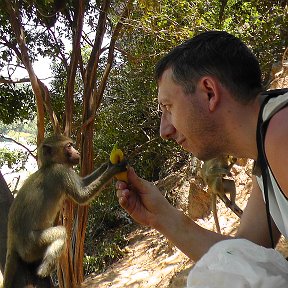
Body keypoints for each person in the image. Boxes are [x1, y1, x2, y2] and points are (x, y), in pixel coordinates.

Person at [115, 31, 288, 286]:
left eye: (168, 108)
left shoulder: (282, 134)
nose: (165, 131)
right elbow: (243, 257)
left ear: (209, 92)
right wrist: (162, 217)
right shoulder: (267, 142)